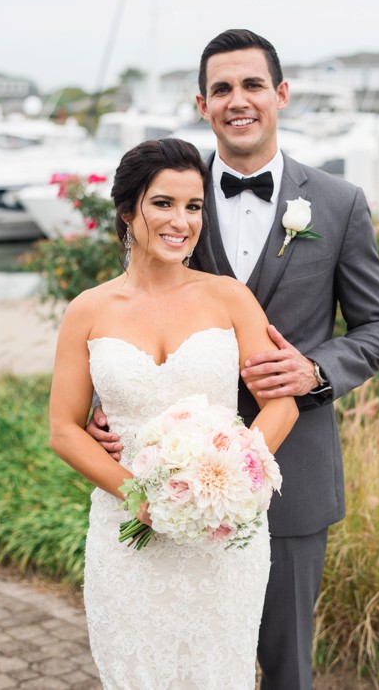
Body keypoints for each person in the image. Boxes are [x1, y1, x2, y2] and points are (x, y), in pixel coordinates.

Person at [87, 29, 379, 689]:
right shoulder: (170, 193)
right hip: (165, 481)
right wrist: (106, 398)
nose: (239, 100)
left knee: (287, 672)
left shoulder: (338, 204)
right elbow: (128, 306)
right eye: (222, 88)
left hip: (290, 476)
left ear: (281, 94)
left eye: (252, 84)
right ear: (202, 103)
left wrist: (316, 370)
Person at [49, 137, 300, 688]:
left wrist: (237, 473)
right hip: (126, 528)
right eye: (163, 203)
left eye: (194, 207)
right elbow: (65, 430)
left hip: (222, 534)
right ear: (126, 210)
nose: (181, 222)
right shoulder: (87, 311)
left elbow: (280, 403)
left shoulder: (229, 297)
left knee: (221, 672)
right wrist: (139, 497)